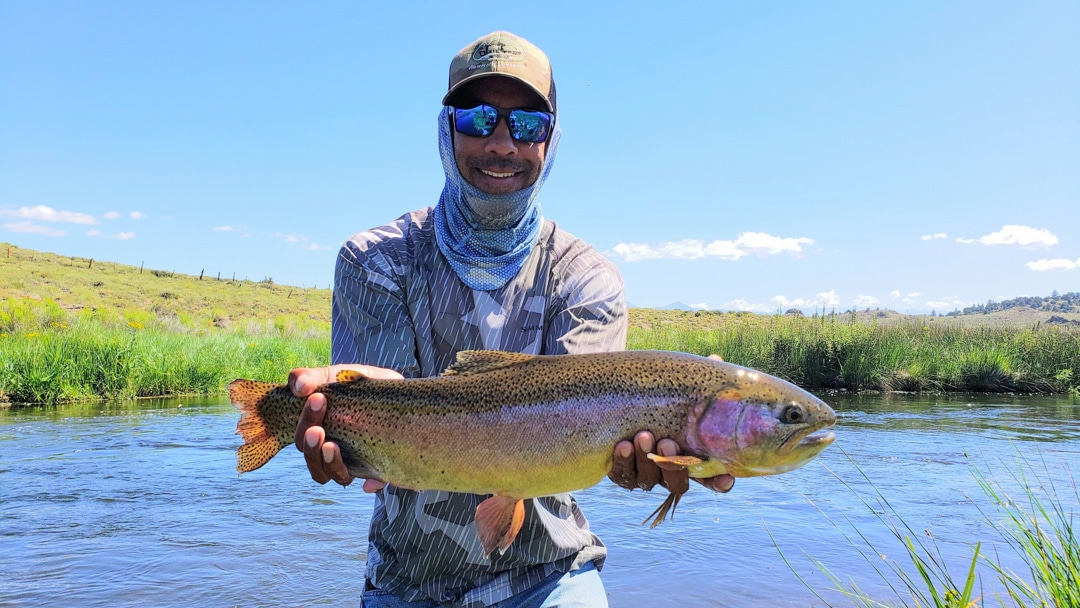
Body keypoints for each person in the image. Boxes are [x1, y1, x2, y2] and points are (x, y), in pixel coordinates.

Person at [288, 31, 734, 608]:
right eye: (478, 118)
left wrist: (661, 442)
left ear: (550, 140)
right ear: (446, 128)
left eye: (527, 125)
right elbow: (388, 404)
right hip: (406, 582)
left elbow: (575, 425)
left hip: (551, 575)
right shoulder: (374, 260)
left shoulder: (586, 278)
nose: (502, 143)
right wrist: (348, 423)